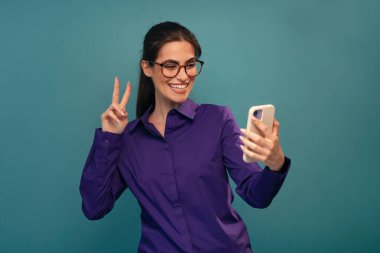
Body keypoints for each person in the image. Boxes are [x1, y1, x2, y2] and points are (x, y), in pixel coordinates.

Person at [79, 21, 291, 253]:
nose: (183, 76)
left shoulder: (218, 120)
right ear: (147, 68)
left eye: (190, 65)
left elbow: (257, 196)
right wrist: (108, 138)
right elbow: (94, 207)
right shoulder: (127, 139)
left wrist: (275, 164)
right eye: (170, 65)